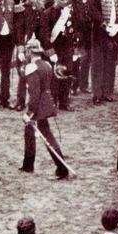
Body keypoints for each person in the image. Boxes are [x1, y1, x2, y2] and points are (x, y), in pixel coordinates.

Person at [18, 38, 70, 180]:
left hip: (39, 104)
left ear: (30, 51)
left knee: (47, 136)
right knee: (31, 131)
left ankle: (62, 168)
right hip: (47, 101)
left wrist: (29, 113)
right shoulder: (46, 65)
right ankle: (28, 164)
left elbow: (34, 94)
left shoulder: (32, 68)